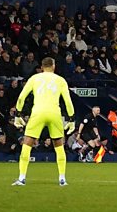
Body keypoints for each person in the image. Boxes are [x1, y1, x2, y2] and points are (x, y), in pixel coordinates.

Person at [12, 57, 75, 186]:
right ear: (53, 66)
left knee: (27, 144)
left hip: (38, 113)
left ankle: (21, 178)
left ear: (41, 67)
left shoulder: (34, 78)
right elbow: (68, 101)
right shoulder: (60, 80)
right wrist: (71, 118)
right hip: (54, 114)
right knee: (59, 146)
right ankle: (62, 179)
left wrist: (18, 114)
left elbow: (21, 97)